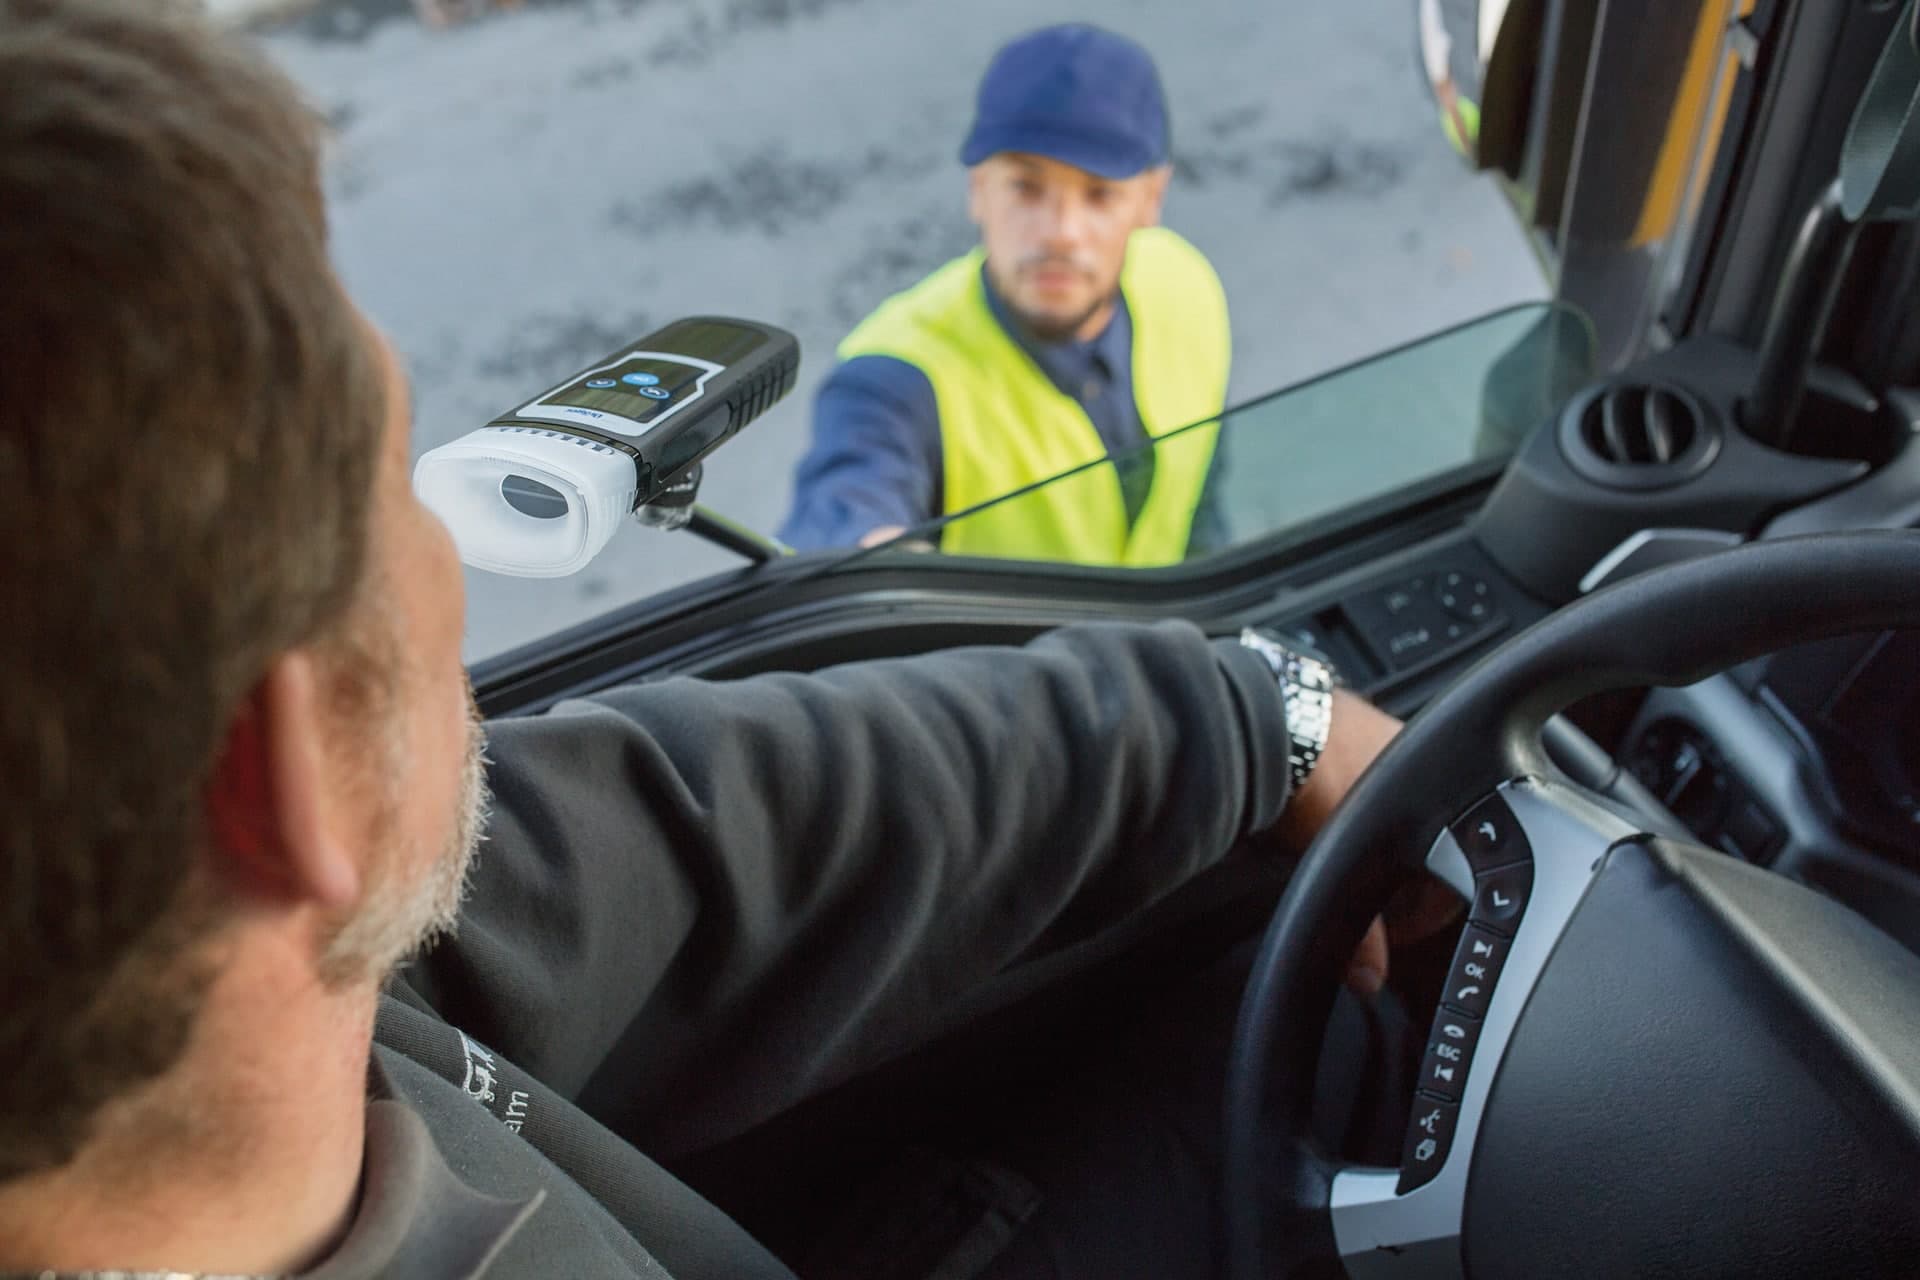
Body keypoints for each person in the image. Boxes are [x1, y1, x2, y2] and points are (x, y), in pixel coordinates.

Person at [0, 4, 1409, 1277]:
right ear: (284, 778)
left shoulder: (319, 979)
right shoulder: (906, 377)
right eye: (394, 493)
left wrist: (1254, 720)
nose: (447, 569)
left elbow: (708, 828)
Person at [779, 24, 1232, 565]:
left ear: (1151, 199)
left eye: (1099, 194)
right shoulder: (896, 376)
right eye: (1026, 187)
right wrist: (870, 558)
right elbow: (847, 509)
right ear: (978, 191)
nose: (1061, 231)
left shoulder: (1186, 286)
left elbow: (1198, 507)